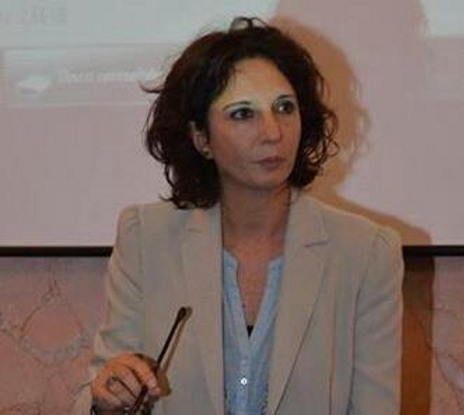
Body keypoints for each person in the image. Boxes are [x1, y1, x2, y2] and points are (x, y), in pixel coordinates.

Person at [72, 16, 404, 415]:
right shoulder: (146, 238)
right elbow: (102, 390)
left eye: (285, 108)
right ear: (201, 138)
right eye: (243, 114)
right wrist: (106, 400)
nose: (273, 132)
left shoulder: (365, 253)